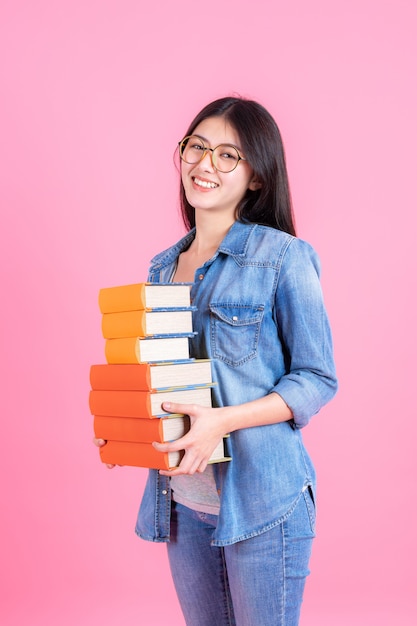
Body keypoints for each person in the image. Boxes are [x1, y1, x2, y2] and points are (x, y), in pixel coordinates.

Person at [95, 96, 338, 626]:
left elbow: (317, 379)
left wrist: (222, 423)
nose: (205, 164)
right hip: (182, 503)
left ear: (256, 176)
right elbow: (164, 380)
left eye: (229, 155)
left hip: (264, 503)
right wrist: (130, 428)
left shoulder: (283, 257)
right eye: (197, 147)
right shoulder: (163, 269)